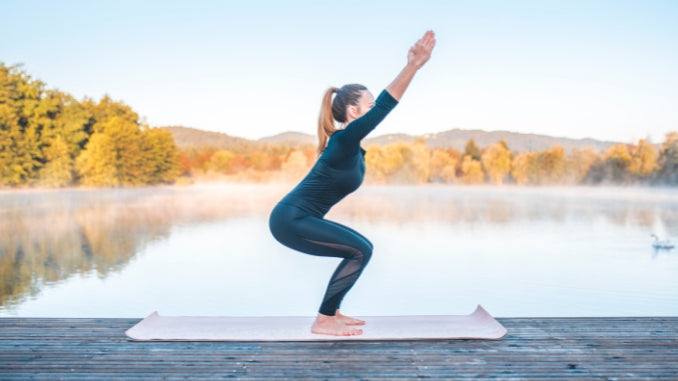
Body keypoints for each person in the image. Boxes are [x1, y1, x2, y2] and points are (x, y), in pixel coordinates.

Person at [269, 31, 436, 336]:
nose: (374, 111)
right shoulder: (344, 139)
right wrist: (413, 66)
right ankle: (323, 320)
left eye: (372, 106)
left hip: (296, 218)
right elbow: (387, 104)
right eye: (368, 106)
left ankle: (331, 313)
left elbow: (380, 107)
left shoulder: (352, 147)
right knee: (359, 250)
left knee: (363, 248)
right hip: (289, 220)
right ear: (354, 112)